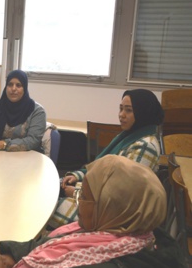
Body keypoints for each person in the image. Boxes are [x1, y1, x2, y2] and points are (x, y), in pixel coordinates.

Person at [0, 155, 192, 268]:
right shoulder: (114, 233)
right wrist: (15, 254)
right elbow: (51, 245)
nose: (78, 203)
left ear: (111, 208)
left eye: (85, 196)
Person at [49, 88, 163, 229]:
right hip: (95, 202)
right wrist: (77, 175)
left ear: (143, 113)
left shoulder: (145, 146)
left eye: (128, 110)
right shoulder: (127, 137)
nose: (121, 115)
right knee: (48, 190)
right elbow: (100, 168)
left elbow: (119, 196)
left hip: (108, 216)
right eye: (120, 109)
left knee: (45, 208)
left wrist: (76, 193)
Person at [0, 69, 46, 152]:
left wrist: (3, 144)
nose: (13, 89)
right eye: (10, 84)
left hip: (24, 158)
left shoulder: (37, 111)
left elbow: (33, 141)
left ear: (24, 88)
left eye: (18, 85)